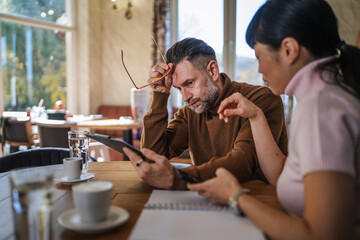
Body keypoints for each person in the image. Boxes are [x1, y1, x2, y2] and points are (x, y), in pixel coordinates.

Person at [187, 0, 360, 239]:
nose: (258, 69)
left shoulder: (320, 109)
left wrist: (236, 196)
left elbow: (321, 235)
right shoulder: (327, 95)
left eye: (259, 56)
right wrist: (256, 116)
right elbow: (283, 177)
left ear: (289, 50)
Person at [124, 37, 288, 189]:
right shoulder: (191, 110)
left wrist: (177, 178)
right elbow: (154, 156)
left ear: (213, 71)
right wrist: (160, 96)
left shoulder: (261, 100)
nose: (185, 97)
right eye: (178, 89)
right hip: (208, 199)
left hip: (258, 202)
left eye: (189, 83)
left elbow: (244, 162)